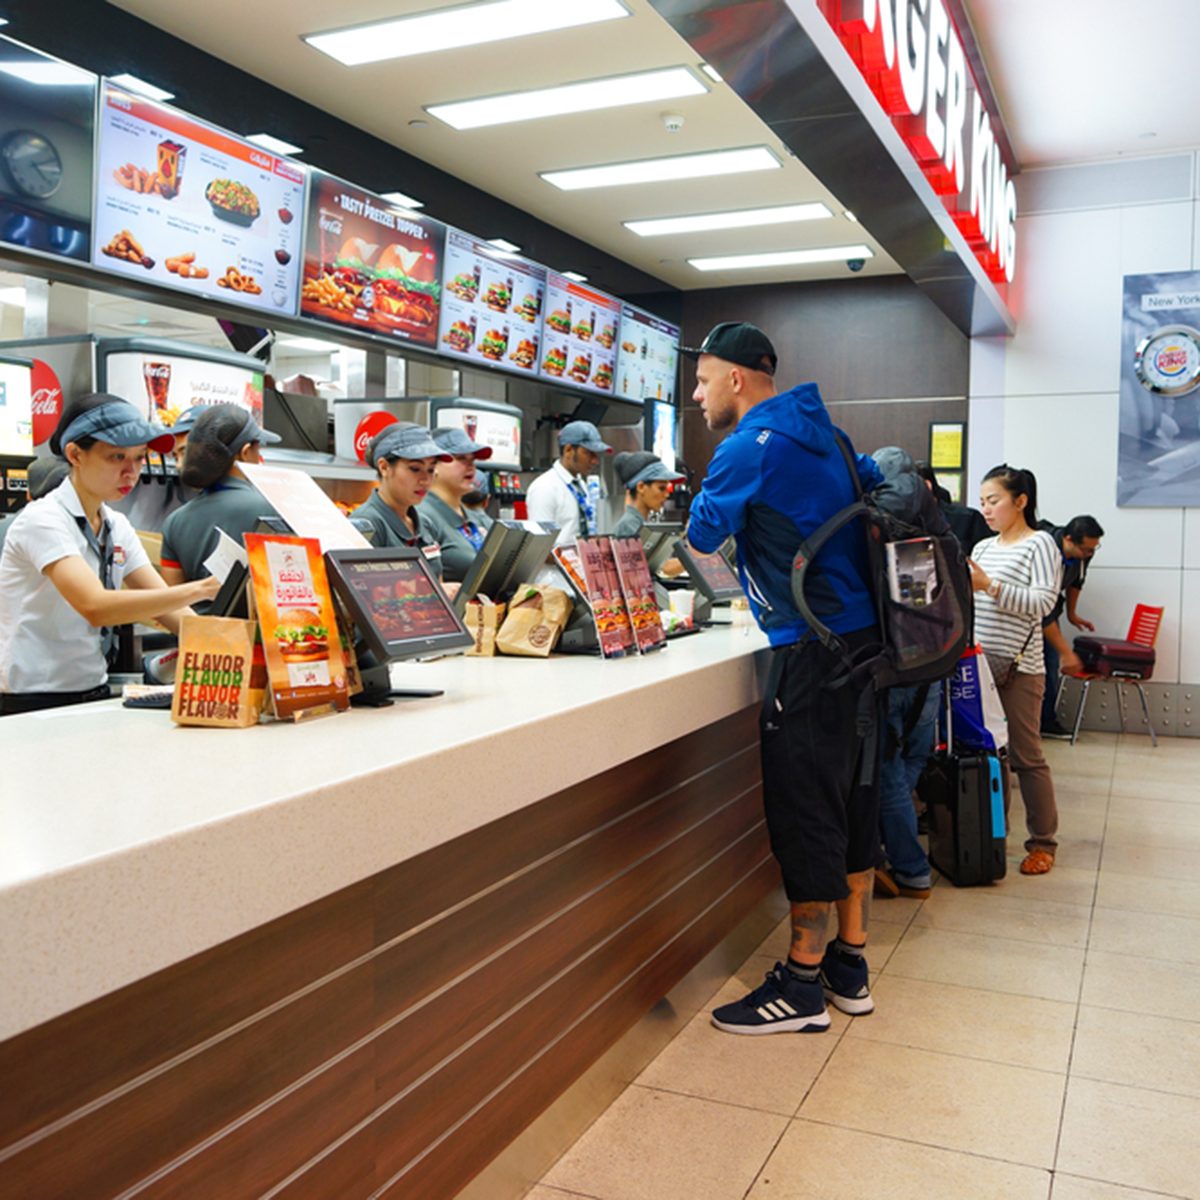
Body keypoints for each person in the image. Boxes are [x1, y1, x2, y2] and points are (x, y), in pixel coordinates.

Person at [682, 322, 885, 1035]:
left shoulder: (748, 447)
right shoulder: (827, 434)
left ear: (738, 379)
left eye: (703, 380)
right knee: (855, 797)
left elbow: (702, 535)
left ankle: (800, 983)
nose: (698, 396)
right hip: (864, 648)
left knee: (806, 811)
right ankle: (848, 967)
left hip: (810, 653)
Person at [0, 393, 220, 715]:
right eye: (117, 457)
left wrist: (231, 644)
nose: (131, 472)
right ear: (75, 454)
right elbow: (95, 606)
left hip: (92, 690)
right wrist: (201, 587)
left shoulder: (116, 525)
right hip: (32, 700)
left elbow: (167, 607)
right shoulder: (43, 520)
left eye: (139, 457)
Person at [969, 464, 1063, 875]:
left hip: (1022, 669)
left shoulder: (1040, 543)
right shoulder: (984, 548)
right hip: (980, 666)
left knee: (1026, 756)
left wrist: (990, 586)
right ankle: (993, 837)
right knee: (991, 757)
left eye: (994, 501)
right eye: (983, 501)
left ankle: (1043, 842)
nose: (986, 509)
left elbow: (1044, 604)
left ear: (1020, 501)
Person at [870, 447, 954, 900]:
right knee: (912, 759)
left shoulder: (876, 526)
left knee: (885, 770)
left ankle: (910, 868)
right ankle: (902, 850)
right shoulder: (937, 530)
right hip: (934, 665)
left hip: (892, 671)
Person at [159, 405, 283, 586]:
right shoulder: (276, 508)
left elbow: (172, 600)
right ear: (246, 452)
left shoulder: (174, 522)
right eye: (258, 449)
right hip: (253, 615)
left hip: (190, 615)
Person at [352, 423, 449, 578]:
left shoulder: (425, 524)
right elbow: (364, 593)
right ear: (384, 467)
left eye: (430, 470)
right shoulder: (367, 524)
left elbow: (438, 578)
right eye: (415, 469)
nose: (425, 480)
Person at [1038, 514, 1105, 737]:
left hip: (1050, 608)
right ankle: (1036, 722)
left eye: (1094, 549)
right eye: (1086, 549)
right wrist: (1066, 652)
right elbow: (1042, 610)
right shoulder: (1044, 551)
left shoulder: (1084, 554)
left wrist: (1072, 614)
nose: (1090, 554)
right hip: (1033, 609)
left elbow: (1077, 581)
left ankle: (1046, 721)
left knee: (1050, 662)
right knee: (1047, 661)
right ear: (1068, 539)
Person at [418, 427, 495, 582]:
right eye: (461, 458)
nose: (471, 466)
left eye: (472, 459)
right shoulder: (421, 516)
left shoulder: (477, 517)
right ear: (434, 466)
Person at [525, 420, 612, 545]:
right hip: (556, 564)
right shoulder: (544, 488)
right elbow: (540, 545)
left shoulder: (580, 484)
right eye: (589, 453)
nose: (595, 461)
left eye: (596, 454)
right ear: (568, 450)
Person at [611, 450, 684, 539]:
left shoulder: (639, 524)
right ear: (641, 487)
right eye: (661, 488)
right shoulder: (628, 527)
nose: (667, 495)